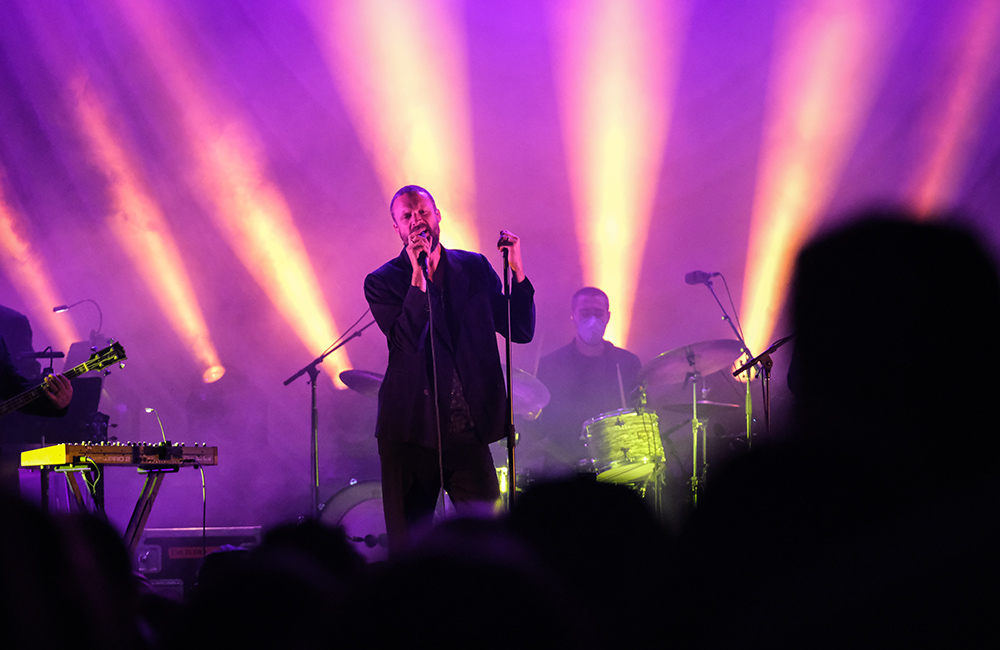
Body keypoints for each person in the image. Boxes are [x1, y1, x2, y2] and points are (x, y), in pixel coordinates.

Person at [364, 185, 535, 556]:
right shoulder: (382, 281)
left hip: (466, 432)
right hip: (411, 434)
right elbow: (406, 342)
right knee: (409, 551)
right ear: (396, 228)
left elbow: (520, 329)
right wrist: (417, 277)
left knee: (490, 544)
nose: (416, 222)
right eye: (407, 217)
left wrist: (518, 272)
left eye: (422, 212)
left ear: (438, 215)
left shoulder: (473, 267)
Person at [525, 287, 642, 478]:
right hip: (563, 464)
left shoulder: (628, 363)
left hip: (616, 462)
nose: (592, 320)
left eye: (598, 313)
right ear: (573, 316)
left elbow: (641, 417)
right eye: (585, 313)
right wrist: (529, 417)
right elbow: (538, 431)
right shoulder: (550, 365)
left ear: (608, 316)